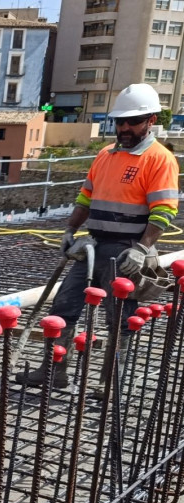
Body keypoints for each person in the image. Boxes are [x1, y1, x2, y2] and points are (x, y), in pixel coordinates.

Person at [17, 83, 178, 390]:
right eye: (120, 121)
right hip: (93, 247)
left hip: (127, 253)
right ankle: (54, 372)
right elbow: (85, 199)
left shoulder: (159, 159)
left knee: (119, 321)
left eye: (133, 121)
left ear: (151, 121)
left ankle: (111, 386)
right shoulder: (105, 155)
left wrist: (143, 249)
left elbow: (164, 212)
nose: (125, 127)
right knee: (63, 307)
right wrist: (70, 230)